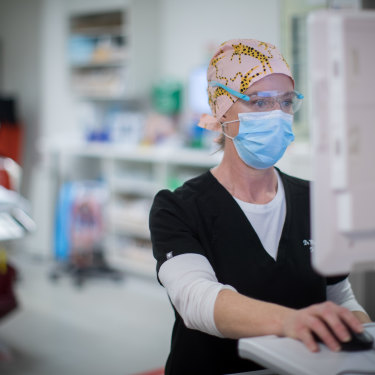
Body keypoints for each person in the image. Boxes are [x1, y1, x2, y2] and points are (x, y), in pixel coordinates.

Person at [149, 39, 371, 375]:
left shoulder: (316, 200)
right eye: (259, 102)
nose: (277, 116)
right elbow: (195, 300)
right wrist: (291, 321)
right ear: (222, 110)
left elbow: (339, 297)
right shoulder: (177, 208)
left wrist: (360, 335)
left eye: (285, 102)